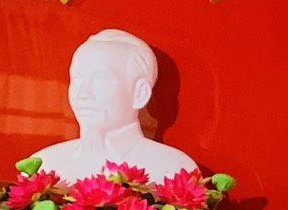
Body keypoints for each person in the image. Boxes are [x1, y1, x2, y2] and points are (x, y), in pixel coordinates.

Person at [31, 30, 198, 183]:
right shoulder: (44, 167)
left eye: (100, 80)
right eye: (77, 80)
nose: (83, 94)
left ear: (140, 93)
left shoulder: (174, 170)